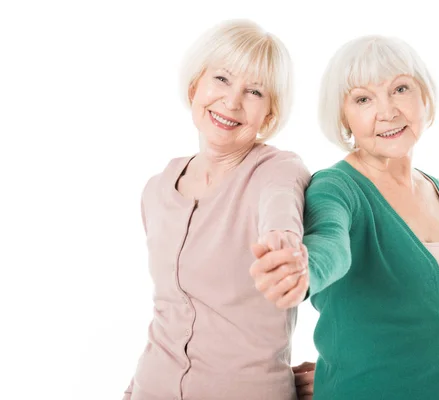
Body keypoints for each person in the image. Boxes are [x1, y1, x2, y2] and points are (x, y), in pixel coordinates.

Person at [250, 34, 439, 400]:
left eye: (401, 89)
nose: (388, 111)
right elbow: (330, 243)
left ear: (424, 96)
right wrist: (303, 270)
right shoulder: (337, 187)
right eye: (363, 99)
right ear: (343, 117)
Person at [123, 19, 315, 400]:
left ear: (269, 115)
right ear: (196, 87)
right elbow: (166, 315)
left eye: (254, 91)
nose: (232, 101)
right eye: (222, 79)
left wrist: (286, 251)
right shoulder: (156, 190)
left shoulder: (277, 171)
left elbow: (281, 216)